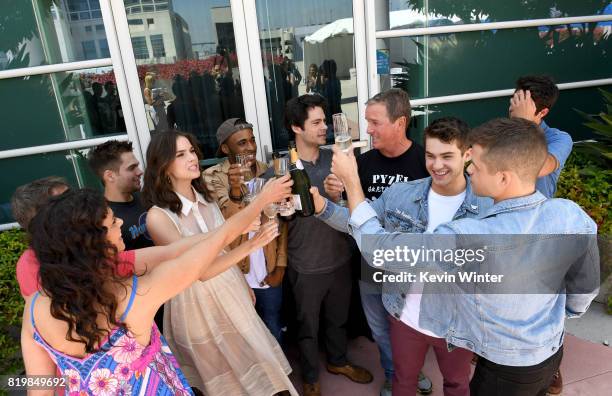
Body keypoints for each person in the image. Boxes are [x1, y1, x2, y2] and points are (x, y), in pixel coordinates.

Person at [326, 117, 599, 396]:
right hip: (550, 355)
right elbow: (583, 292)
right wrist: (562, 314)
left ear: (503, 177)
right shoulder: (570, 214)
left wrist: (351, 180)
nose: (471, 171)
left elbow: (379, 250)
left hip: (502, 368)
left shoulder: (470, 233)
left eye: (477, 167)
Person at [21, 185, 285, 395]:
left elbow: (39, 387)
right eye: (113, 223)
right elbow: (202, 254)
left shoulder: (34, 308)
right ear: (94, 242)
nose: (121, 224)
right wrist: (261, 201)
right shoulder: (135, 297)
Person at [318, 117, 488, 395]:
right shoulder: (401, 194)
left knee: (457, 383)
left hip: (458, 322)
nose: (437, 165)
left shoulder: (486, 205)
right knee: (403, 380)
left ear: (467, 155)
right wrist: (321, 207)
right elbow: (361, 220)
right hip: (404, 314)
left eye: (447, 156)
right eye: (431, 156)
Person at [143, 130, 297, 396]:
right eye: (181, 154)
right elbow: (198, 271)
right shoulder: (158, 217)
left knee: (261, 367)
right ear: (162, 163)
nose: (192, 157)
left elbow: (222, 248)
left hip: (229, 289)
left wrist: (240, 282)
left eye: (192, 150)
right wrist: (251, 243)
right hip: (195, 304)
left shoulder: (207, 199)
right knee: (222, 381)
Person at [324, 88, 430, 396]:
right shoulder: (362, 162)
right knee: (382, 330)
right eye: (366, 122)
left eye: (374, 122)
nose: (367, 130)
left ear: (400, 123)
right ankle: (393, 374)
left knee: (411, 328)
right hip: (370, 265)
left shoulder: (425, 162)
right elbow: (351, 215)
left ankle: (410, 372)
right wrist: (335, 194)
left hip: (410, 268)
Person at [283, 94, 373, 396]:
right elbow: (278, 222)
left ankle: (337, 361)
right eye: (317, 122)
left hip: (339, 257)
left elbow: (355, 208)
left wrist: (341, 195)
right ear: (297, 127)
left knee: (339, 320)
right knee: (307, 327)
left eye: (325, 121)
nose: (325, 128)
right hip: (305, 265)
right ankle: (310, 377)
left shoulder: (337, 161)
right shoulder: (284, 169)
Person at [203, 118, 288, 342]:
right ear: (225, 148)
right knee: (244, 335)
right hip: (236, 272)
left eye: (252, 140)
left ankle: (278, 376)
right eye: (241, 143)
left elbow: (281, 221)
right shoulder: (211, 177)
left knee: (274, 326)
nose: (250, 147)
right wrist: (235, 190)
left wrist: (280, 264)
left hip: (267, 267)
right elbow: (225, 222)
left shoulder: (267, 170)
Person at [509, 75, 573, 199]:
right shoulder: (499, 132)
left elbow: (540, 168)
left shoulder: (558, 138)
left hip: (536, 213)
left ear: (542, 112)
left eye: (522, 104)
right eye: (515, 100)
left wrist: (524, 124)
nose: (512, 107)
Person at [88, 140, 152, 250]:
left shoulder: (147, 198)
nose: (140, 172)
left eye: (137, 166)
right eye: (132, 168)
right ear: (110, 176)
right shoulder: (104, 218)